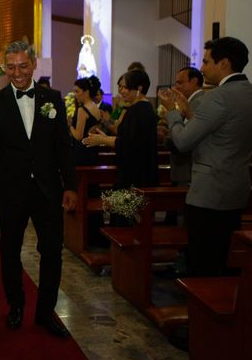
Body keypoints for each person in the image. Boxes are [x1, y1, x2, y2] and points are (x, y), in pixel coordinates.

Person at [0, 40, 76, 338]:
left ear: (33, 65)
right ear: (5, 68)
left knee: (52, 251)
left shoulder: (52, 98)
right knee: (9, 251)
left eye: (23, 66)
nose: (17, 72)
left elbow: (63, 146)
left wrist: (70, 185)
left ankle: (46, 312)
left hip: (47, 190)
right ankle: (16, 307)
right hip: (11, 189)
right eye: (11, 67)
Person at [158, 37, 252, 277]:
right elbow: (223, 134)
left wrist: (172, 114)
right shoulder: (248, 93)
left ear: (224, 63)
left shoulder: (218, 97)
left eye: (206, 61)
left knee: (204, 261)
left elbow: (182, 141)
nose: (201, 67)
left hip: (209, 191)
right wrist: (190, 114)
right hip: (237, 186)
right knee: (226, 258)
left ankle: (202, 311)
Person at [83, 69, 159, 189]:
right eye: (120, 87)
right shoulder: (144, 108)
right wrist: (106, 137)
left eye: (125, 87)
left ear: (139, 89)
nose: (121, 91)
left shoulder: (137, 110)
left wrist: (103, 140)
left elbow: (129, 144)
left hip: (136, 174)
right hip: (143, 170)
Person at [163, 67, 205, 187]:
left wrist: (167, 139)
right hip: (184, 167)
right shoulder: (190, 102)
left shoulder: (198, 102)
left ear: (194, 81)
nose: (176, 86)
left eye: (180, 82)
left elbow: (184, 140)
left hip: (187, 168)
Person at [70, 76, 102, 166]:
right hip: (92, 150)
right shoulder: (95, 106)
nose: (75, 94)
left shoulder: (82, 110)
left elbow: (78, 136)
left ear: (86, 92)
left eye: (77, 91)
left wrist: (70, 125)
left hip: (82, 152)